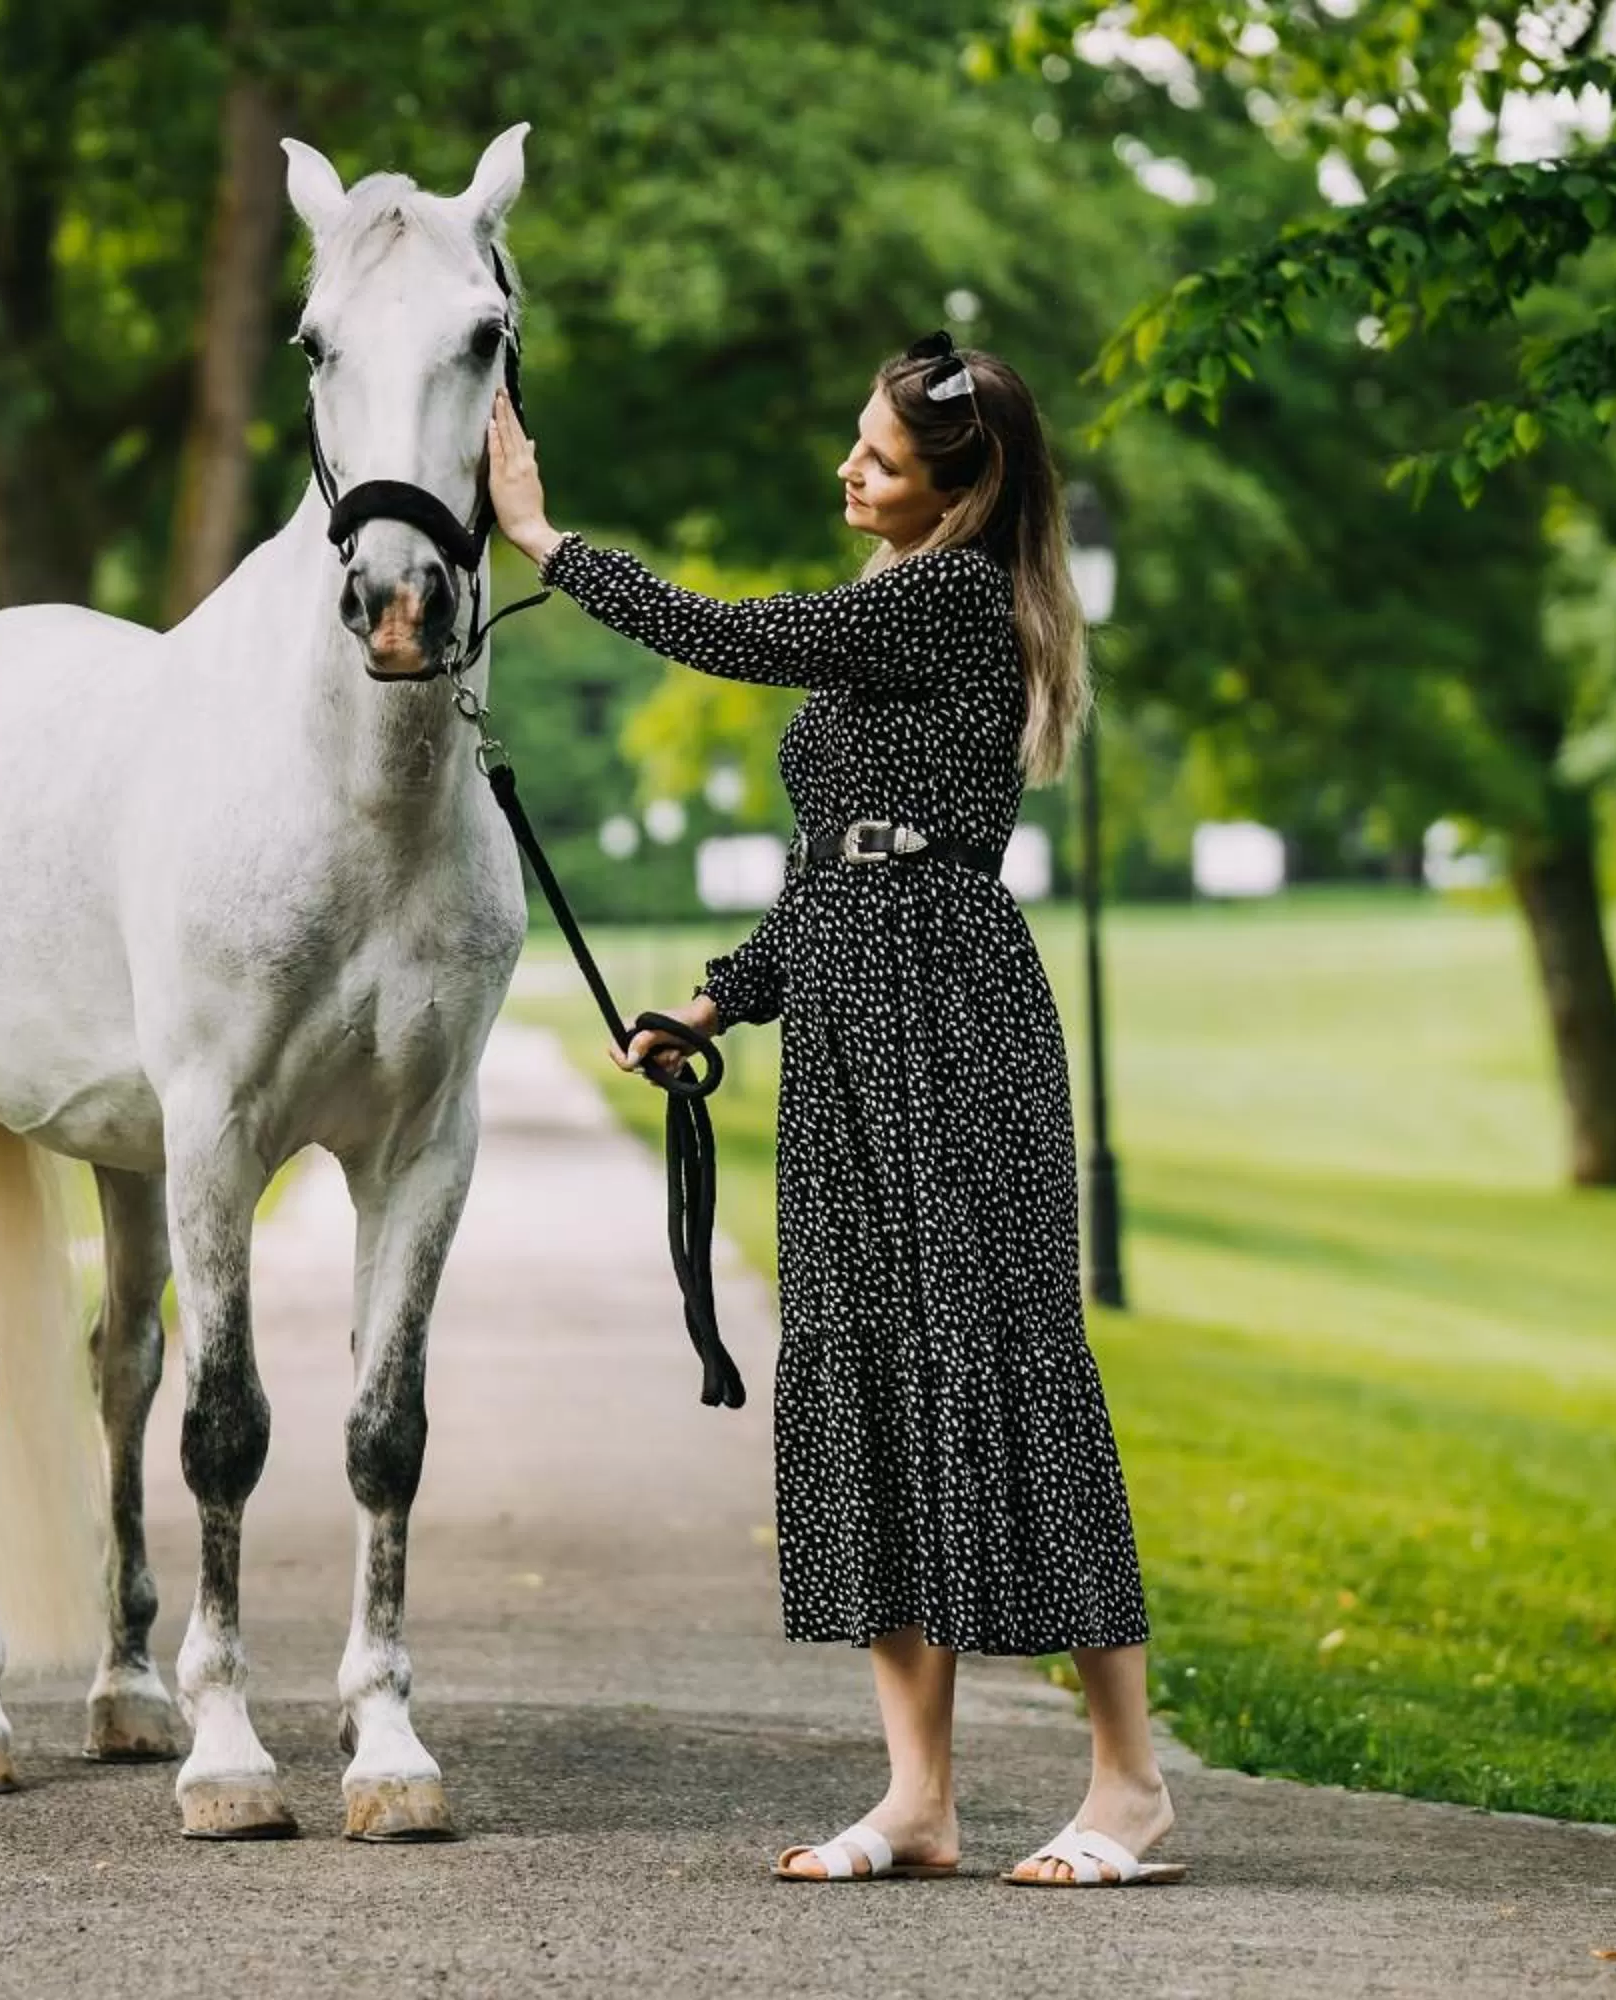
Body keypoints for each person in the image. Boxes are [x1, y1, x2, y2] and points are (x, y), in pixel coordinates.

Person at [481, 336, 1184, 1889]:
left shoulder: (951, 593)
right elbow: (837, 871)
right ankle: (917, 1800)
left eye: (875, 456)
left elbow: (727, 635)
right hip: (856, 1021)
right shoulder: (892, 609)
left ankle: (1129, 1784)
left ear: (959, 482)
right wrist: (716, 1000)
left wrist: (546, 544)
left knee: (1006, 1374)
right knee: (860, 1379)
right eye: (853, 445)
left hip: (957, 1017)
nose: (846, 471)